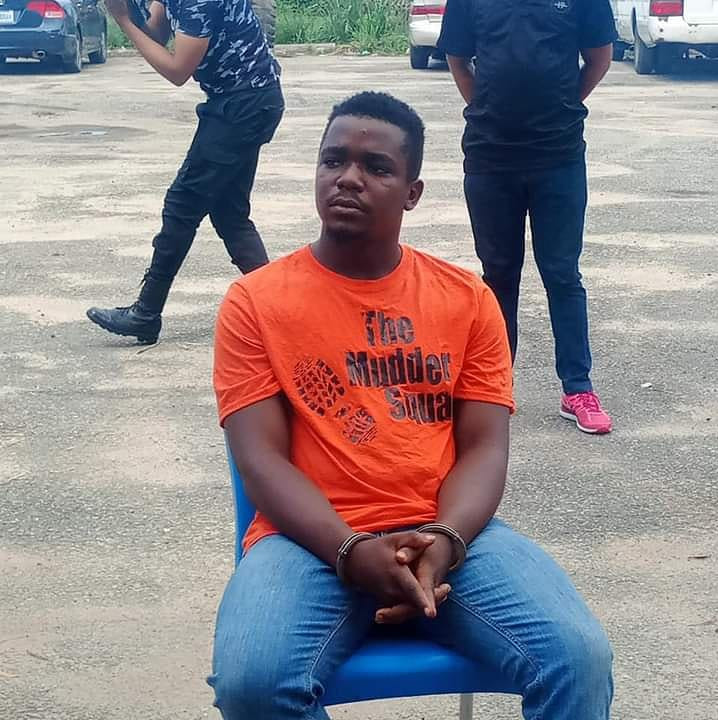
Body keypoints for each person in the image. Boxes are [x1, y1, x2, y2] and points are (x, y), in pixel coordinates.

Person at [209, 91, 613, 720]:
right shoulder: (255, 303)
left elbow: (484, 448)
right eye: (333, 160)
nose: (348, 178)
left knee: (577, 659)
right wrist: (350, 552)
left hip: (448, 534)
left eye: (376, 167)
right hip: (307, 542)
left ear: (412, 193)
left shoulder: (466, 299)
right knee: (252, 683)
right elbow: (261, 461)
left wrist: (446, 540)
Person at [437, 0, 616, 434]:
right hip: (490, 156)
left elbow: (599, 57)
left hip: (559, 155)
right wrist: (487, 109)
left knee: (562, 273)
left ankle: (578, 389)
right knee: (498, 275)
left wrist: (562, 107)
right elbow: (457, 58)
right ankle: (494, 387)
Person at [86, 0, 284, 344]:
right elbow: (155, 34)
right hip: (244, 100)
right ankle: (279, 310)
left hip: (243, 104)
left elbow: (178, 70)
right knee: (230, 215)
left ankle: (146, 313)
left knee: (182, 204)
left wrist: (123, 20)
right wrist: (129, 12)